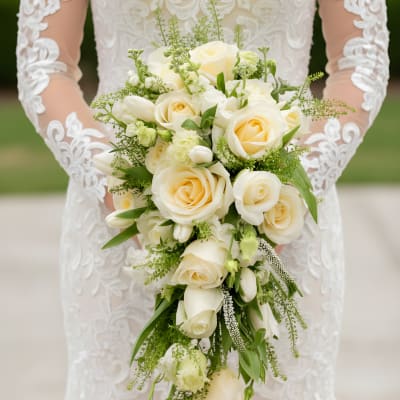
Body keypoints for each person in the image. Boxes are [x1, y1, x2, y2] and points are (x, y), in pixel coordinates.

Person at [16, 1, 389, 399]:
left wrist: (289, 189)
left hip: (283, 225)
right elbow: (45, 65)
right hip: (124, 229)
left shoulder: (283, 204)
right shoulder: (122, 200)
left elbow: (360, 59)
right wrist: (121, 189)